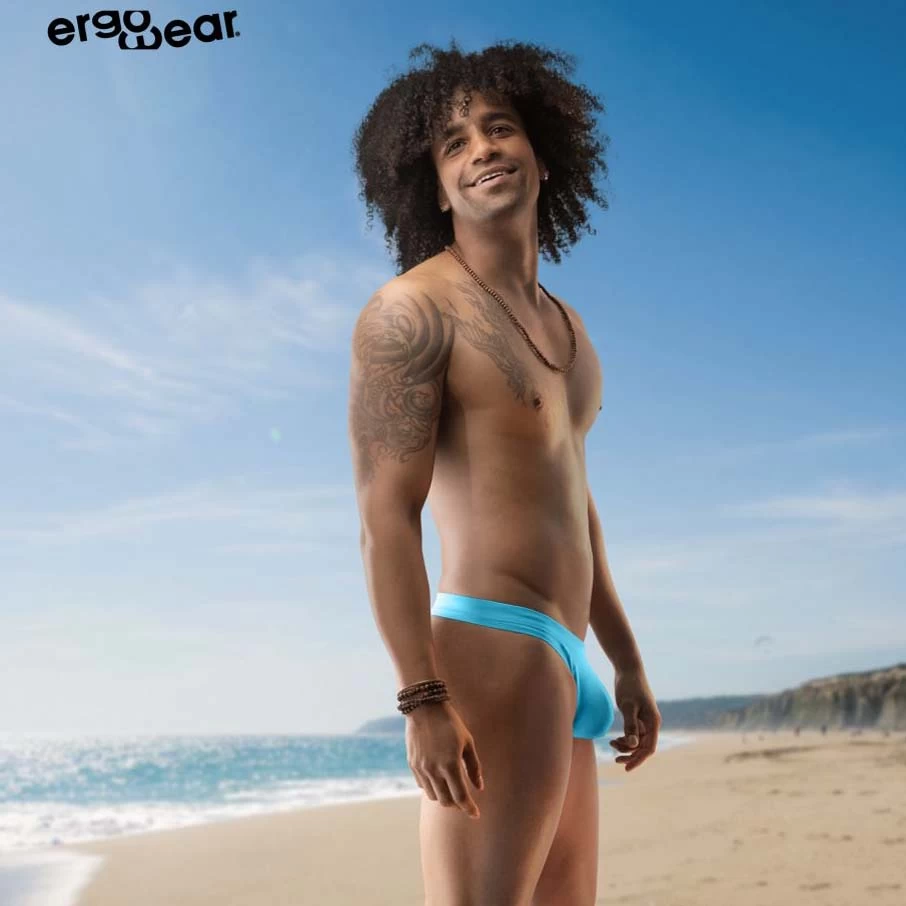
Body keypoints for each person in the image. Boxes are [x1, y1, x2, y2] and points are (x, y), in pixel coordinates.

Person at [347, 40, 661, 906]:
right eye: (454, 144)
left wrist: (626, 659)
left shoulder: (570, 331)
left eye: (500, 128)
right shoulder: (411, 313)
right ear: (435, 188)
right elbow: (385, 517)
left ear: (543, 154)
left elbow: (573, 500)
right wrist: (421, 697)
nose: (482, 148)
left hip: (568, 658)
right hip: (490, 647)